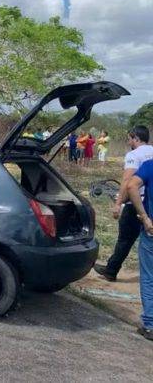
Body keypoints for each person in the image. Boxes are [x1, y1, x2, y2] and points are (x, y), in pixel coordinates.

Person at [95, 126, 153, 281]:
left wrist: (118, 203)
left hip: (136, 202)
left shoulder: (134, 155)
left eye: (129, 138)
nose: (128, 141)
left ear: (135, 138)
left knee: (125, 238)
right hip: (150, 201)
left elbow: (128, 181)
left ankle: (111, 270)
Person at [124, 161, 153, 341]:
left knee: (149, 277)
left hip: (151, 231)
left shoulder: (150, 166)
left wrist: (144, 217)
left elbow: (131, 185)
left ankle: (150, 324)